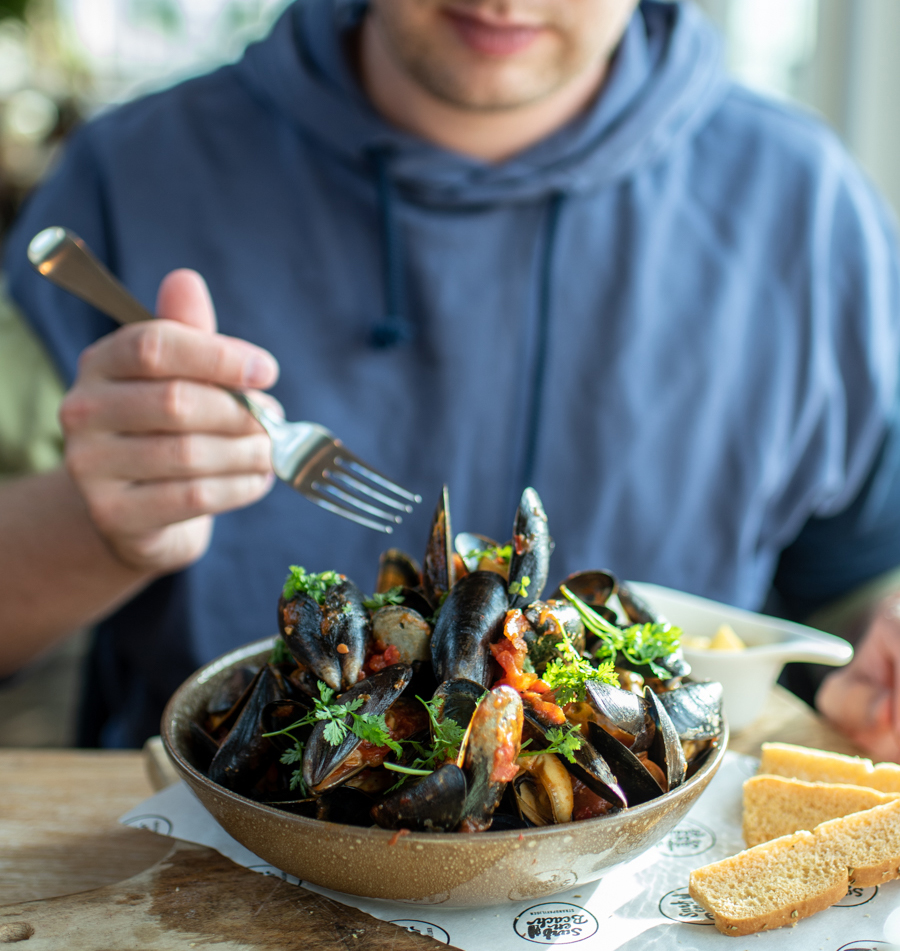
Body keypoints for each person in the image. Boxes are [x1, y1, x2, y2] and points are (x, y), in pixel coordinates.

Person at [1, 0, 900, 753]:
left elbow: (861, 586)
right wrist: (99, 524)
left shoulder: (810, 209)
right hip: (194, 878)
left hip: (656, 908)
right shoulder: (128, 177)